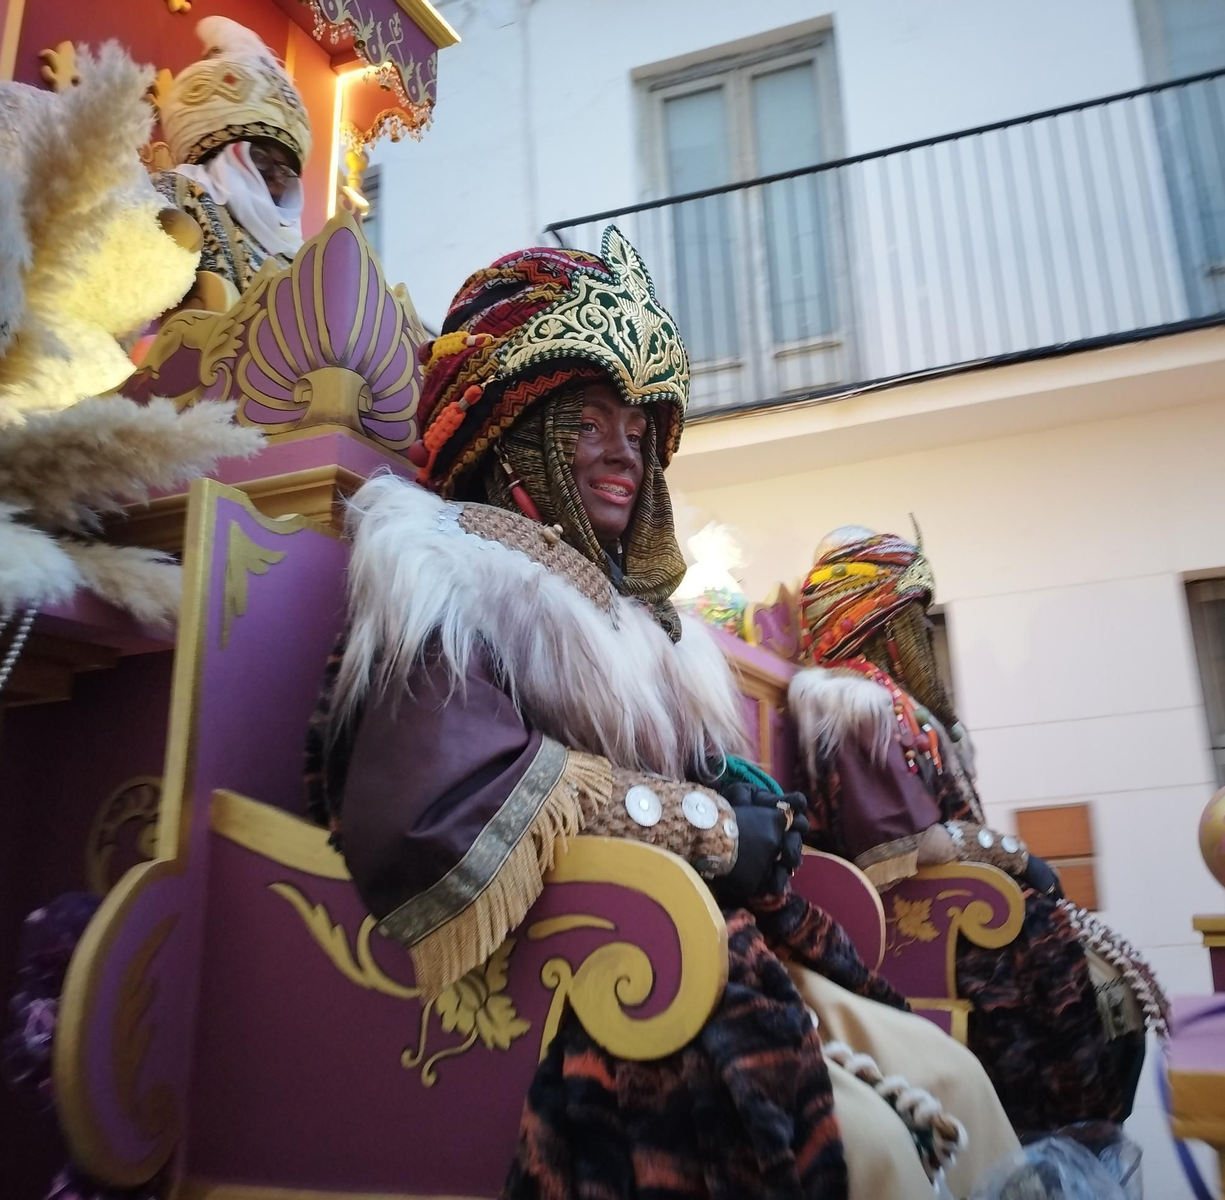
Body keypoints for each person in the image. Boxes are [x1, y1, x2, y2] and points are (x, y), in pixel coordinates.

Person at [304, 234, 1021, 1198]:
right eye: (589, 421)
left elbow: (671, 785)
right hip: (585, 985)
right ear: (511, 425)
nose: (625, 452)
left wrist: (731, 798)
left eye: (639, 428)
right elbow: (453, 802)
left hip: (699, 950)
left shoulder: (635, 622)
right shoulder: (443, 585)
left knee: (956, 1080)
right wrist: (711, 827)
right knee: (874, 1154)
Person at [789, 526, 1168, 1137]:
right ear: (880, 623)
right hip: (912, 921)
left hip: (960, 904)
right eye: (912, 618)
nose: (924, 632)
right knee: (1041, 951)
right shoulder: (854, 709)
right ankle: (1057, 1133)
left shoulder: (898, 709)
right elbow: (907, 848)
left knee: (1072, 947)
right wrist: (1012, 856)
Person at [153, 16, 311, 302]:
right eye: (261, 159)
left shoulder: (295, 253)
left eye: (285, 171)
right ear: (224, 154)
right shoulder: (177, 194)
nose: (275, 179)